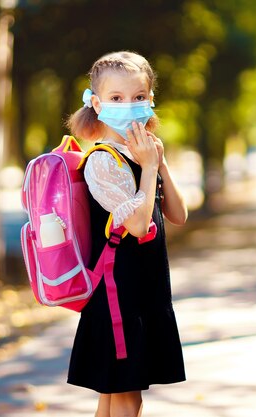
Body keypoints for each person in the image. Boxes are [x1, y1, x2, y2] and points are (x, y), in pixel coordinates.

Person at [65, 51, 188, 417]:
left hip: (143, 290)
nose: (129, 106)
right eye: (117, 99)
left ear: (150, 101)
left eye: (138, 97)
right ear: (98, 104)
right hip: (118, 296)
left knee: (113, 397)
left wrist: (159, 162)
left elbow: (178, 215)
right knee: (127, 397)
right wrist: (149, 169)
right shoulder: (103, 160)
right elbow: (136, 224)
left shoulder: (142, 155)